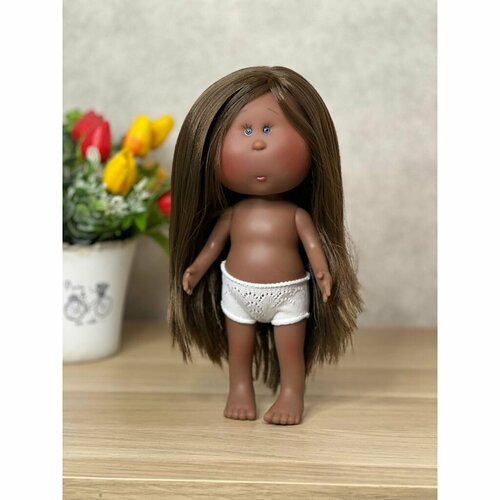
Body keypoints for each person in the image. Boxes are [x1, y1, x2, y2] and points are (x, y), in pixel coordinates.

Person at [168, 66, 362, 425]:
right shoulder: (232, 215)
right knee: (239, 350)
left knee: (290, 352)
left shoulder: (296, 215)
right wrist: (195, 269)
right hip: (237, 291)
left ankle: (291, 394)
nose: (257, 143)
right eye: (246, 130)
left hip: (288, 294)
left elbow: (314, 247)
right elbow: (212, 247)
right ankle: (239, 388)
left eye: (267, 129)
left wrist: (323, 273)